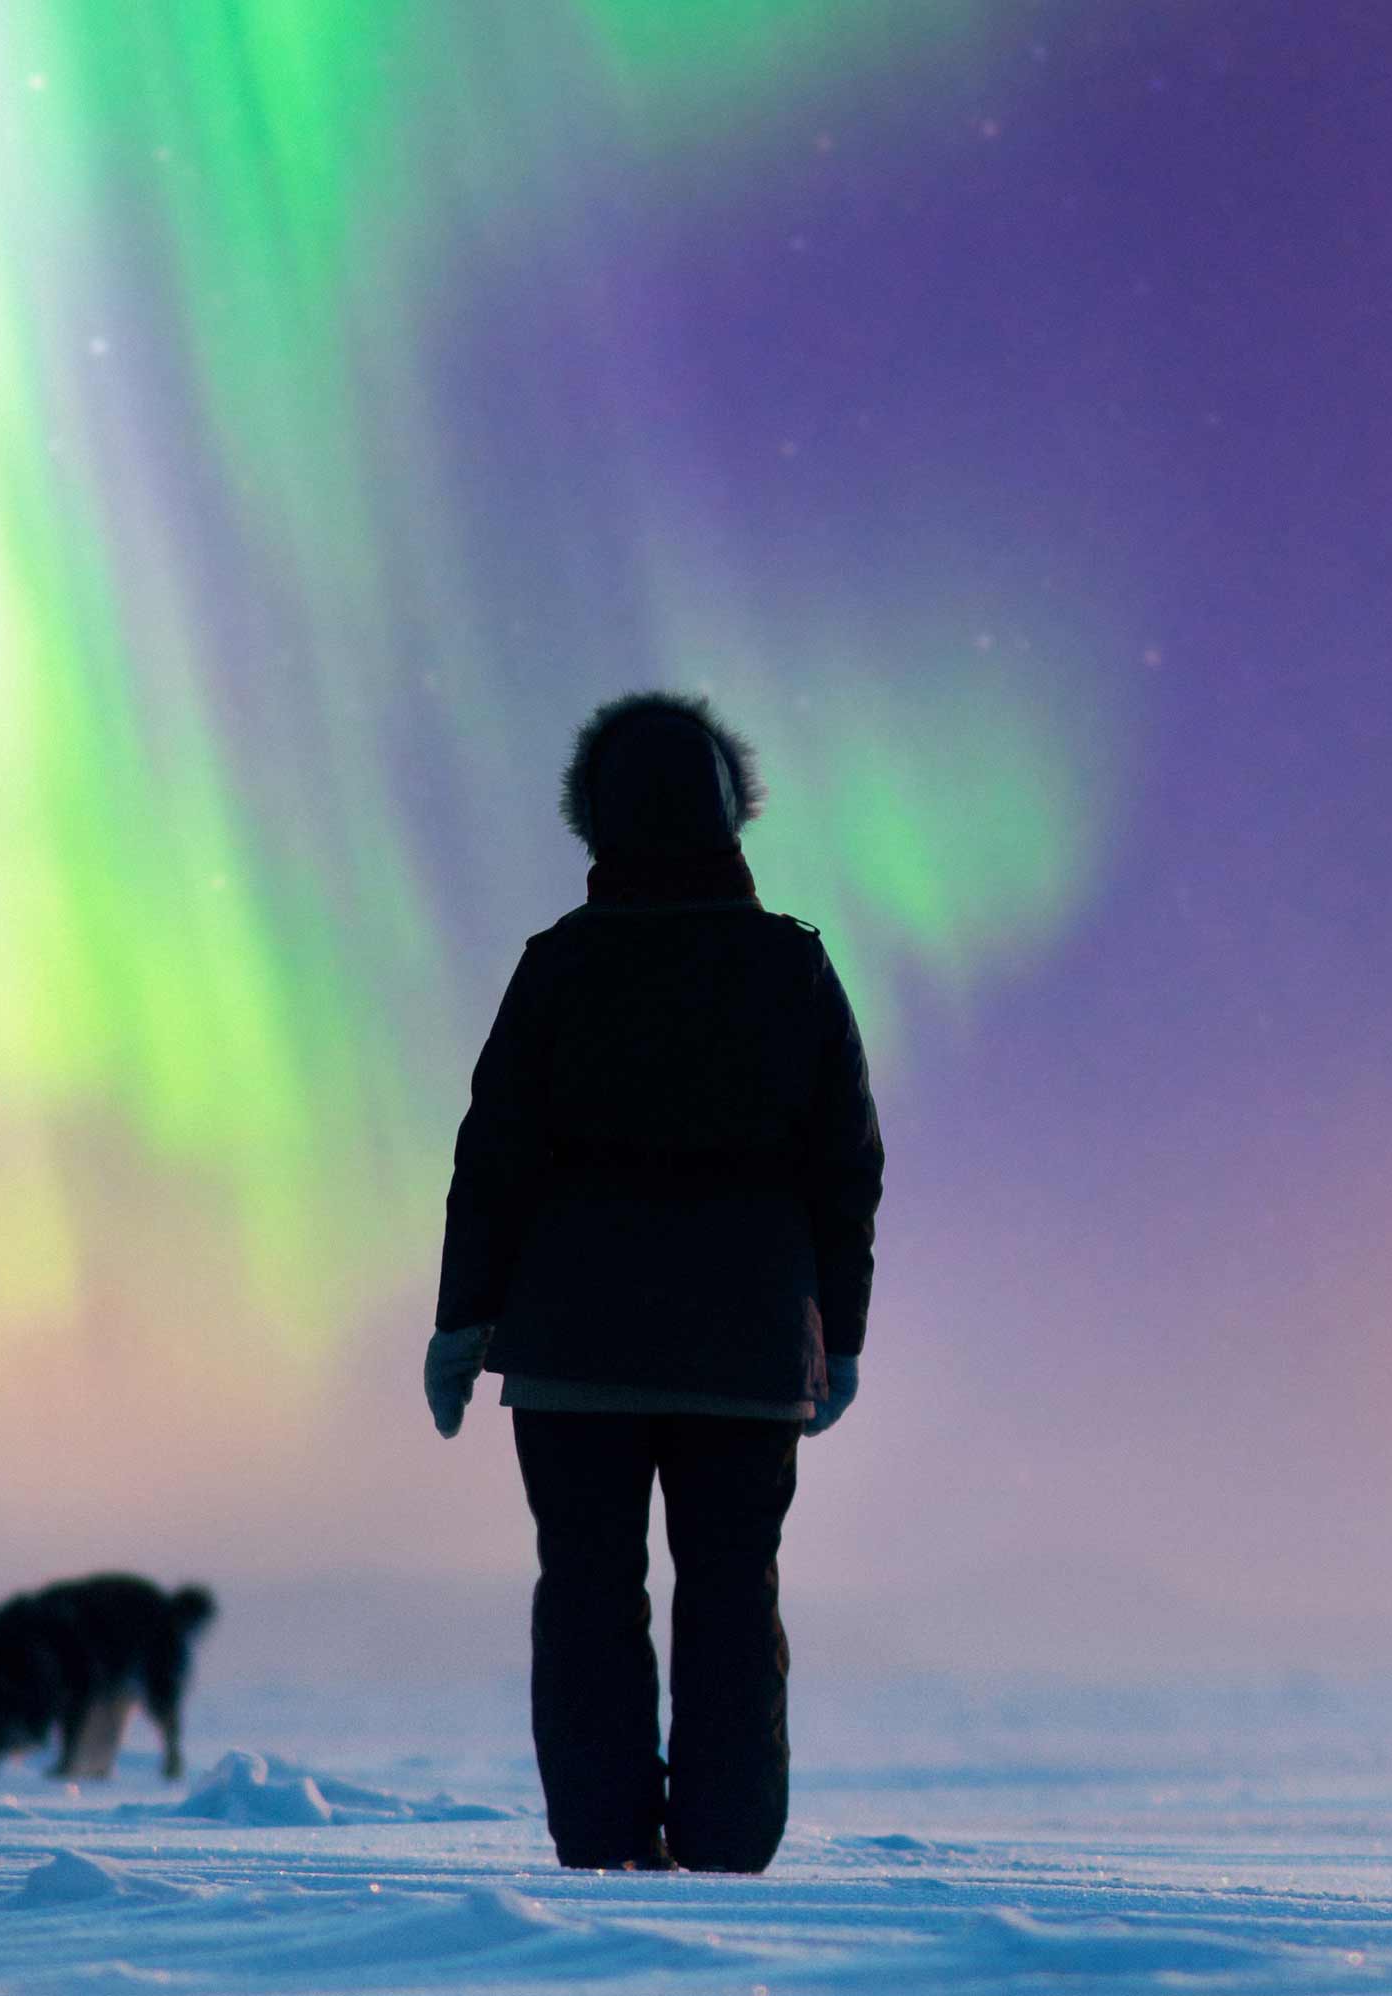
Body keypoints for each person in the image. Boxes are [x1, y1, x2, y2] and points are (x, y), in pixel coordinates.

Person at [424, 690, 884, 1874]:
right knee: (732, 1592)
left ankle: (603, 1844)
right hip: (745, 1348)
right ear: (731, 811)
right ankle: (728, 1848)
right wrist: (841, 1335)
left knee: (586, 1589)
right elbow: (847, 1168)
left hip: (574, 1347)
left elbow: (495, 1156)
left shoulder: (558, 970)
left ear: (597, 820)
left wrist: (462, 1320)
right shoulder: (793, 971)